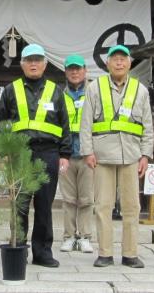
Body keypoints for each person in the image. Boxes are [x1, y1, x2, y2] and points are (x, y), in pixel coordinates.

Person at [0, 44, 71, 268]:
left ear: (45, 64)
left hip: (48, 153)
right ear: (22, 65)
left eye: (38, 60)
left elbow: (64, 124)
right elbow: (1, 123)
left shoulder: (56, 91)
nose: (34, 64)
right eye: (29, 60)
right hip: (19, 154)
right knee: (19, 205)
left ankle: (42, 252)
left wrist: (65, 154)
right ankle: (18, 246)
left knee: (44, 206)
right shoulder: (10, 90)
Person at [80, 44, 153, 268]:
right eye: (115, 59)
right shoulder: (95, 87)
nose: (119, 62)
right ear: (107, 63)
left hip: (131, 155)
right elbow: (86, 122)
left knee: (132, 207)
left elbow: (147, 125)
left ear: (130, 63)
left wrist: (145, 155)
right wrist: (87, 151)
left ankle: (130, 253)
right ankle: (105, 253)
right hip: (102, 155)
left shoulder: (140, 90)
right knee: (103, 205)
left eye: (123, 58)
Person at [59, 54, 94, 254]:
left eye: (78, 68)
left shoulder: (93, 94)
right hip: (66, 154)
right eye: (71, 69)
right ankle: (69, 236)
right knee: (69, 198)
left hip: (88, 153)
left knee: (87, 198)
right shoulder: (59, 95)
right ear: (66, 71)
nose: (74, 72)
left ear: (84, 71)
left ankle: (86, 237)